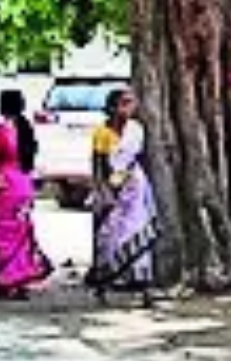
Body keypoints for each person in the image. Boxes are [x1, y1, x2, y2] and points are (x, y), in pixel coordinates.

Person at [86, 88, 158, 307]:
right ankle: (103, 285)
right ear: (112, 107)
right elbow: (99, 163)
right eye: (123, 103)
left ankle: (144, 289)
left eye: (130, 103)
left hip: (135, 188)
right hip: (113, 189)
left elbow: (141, 158)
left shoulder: (136, 130)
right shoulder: (102, 132)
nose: (128, 108)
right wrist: (102, 190)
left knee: (138, 235)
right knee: (109, 239)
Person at [0, 89, 51, 299]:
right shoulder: (26, 130)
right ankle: (20, 281)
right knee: (21, 232)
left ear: (1, 107)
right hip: (24, 184)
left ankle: (3, 282)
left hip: (5, 185)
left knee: (2, 233)